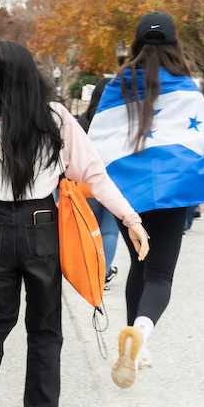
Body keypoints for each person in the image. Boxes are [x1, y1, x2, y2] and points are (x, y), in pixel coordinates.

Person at [0, 42, 149, 407]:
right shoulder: (55, 118)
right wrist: (131, 219)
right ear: (31, 74)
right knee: (45, 326)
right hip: (39, 225)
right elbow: (95, 176)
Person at [88, 12, 204, 387]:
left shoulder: (117, 84)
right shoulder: (186, 86)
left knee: (138, 265)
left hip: (126, 193)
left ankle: (136, 345)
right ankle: (142, 335)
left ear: (135, 43)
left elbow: (97, 138)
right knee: (160, 274)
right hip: (171, 189)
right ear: (174, 43)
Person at [76, 77, 120, 289]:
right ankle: (102, 275)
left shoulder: (82, 124)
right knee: (110, 230)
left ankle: (88, 271)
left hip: (88, 183)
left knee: (90, 229)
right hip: (117, 183)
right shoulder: (124, 123)